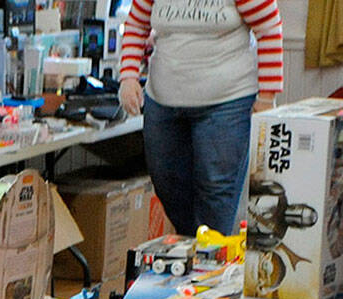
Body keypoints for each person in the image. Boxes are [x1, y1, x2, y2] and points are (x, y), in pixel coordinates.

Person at [118, 0, 283, 236]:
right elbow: (136, 23)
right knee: (168, 185)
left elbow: (269, 29)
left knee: (216, 192)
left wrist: (267, 97)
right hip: (163, 101)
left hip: (228, 101)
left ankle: (210, 258)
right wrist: (128, 76)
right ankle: (194, 250)